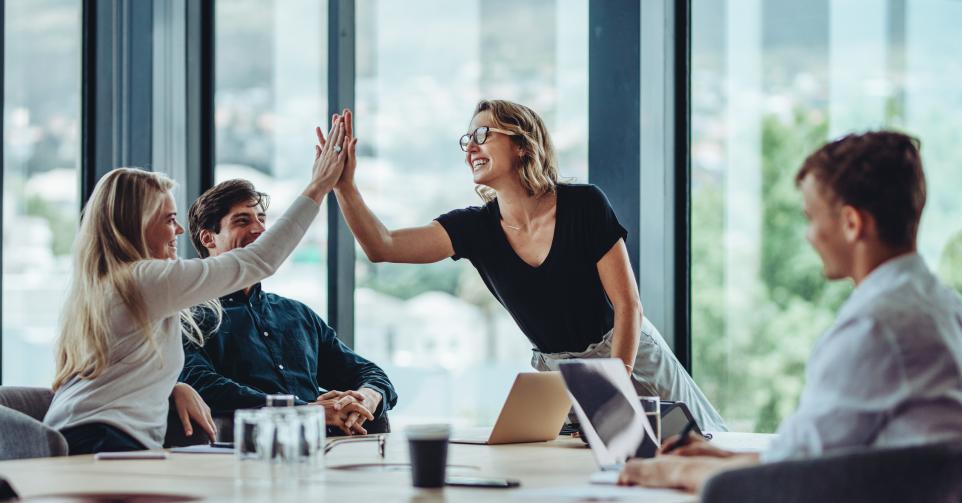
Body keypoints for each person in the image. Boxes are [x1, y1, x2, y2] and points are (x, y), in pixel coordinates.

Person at [327, 100, 726, 432]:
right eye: (467, 140)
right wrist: (345, 186)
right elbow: (383, 246)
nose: (470, 147)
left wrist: (612, 384)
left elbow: (628, 307)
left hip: (628, 354)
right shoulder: (474, 228)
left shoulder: (584, 204)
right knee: (581, 473)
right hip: (558, 376)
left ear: (522, 144)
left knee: (699, 446)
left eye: (483, 134)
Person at [618, 131, 962, 492]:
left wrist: (671, 472)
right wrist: (717, 457)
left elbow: (794, 477)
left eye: (812, 218)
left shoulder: (876, 326)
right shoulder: (942, 307)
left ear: (851, 223)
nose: (809, 236)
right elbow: (814, 455)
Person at [43, 116, 351, 454]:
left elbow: (119, 369)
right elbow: (259, 261)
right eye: (169, 219)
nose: (179, 231)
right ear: (136, 225)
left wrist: (173, 387)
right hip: (100, 440)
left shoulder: (110, 284)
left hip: (82, 434)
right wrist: (318, 187)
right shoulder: (141, 279)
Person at [178, 179, 398, 436]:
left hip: (327, 452)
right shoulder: (188, 317)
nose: (260, 229)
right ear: (208, 238)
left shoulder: (297, 314)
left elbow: (369, 372)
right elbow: (202, 384)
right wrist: (304, 411)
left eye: (261, 219)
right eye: (242, 221)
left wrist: (366, 398)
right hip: (245, 455)